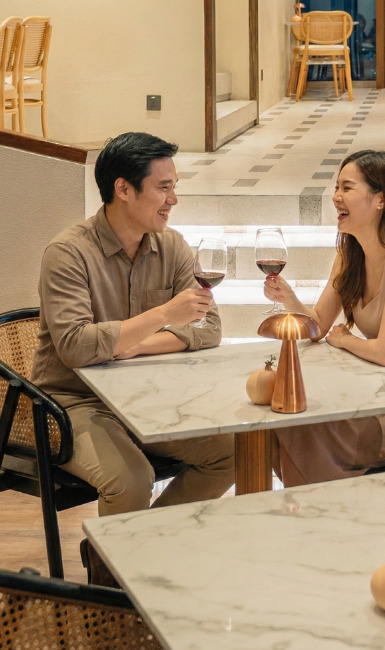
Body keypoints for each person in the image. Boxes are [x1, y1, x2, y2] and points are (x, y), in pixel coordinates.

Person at [32, 132, 235, 582]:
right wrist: (163, 315)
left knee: (231, 452)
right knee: (132, 478)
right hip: (72, 403)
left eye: (174, 186)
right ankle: (110, 597)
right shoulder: (67, 254)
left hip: (143, 397)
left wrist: (134, 343)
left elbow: (209, 329)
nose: (173, 199)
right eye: (163, 187)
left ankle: (131, 550)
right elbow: (76, 347)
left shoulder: (173, 247)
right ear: (123, 189)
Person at [263, 150, 385, 486]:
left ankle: (324, 515)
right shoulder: (349, 253)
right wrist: (288, 297)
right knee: (280, 424)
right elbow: (318, 325)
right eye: (337, 188)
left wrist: (346, 339)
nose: (336, 197)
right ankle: (320, 514)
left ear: (380, 199)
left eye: (347, 188)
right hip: (379, 395)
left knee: (301, 430)